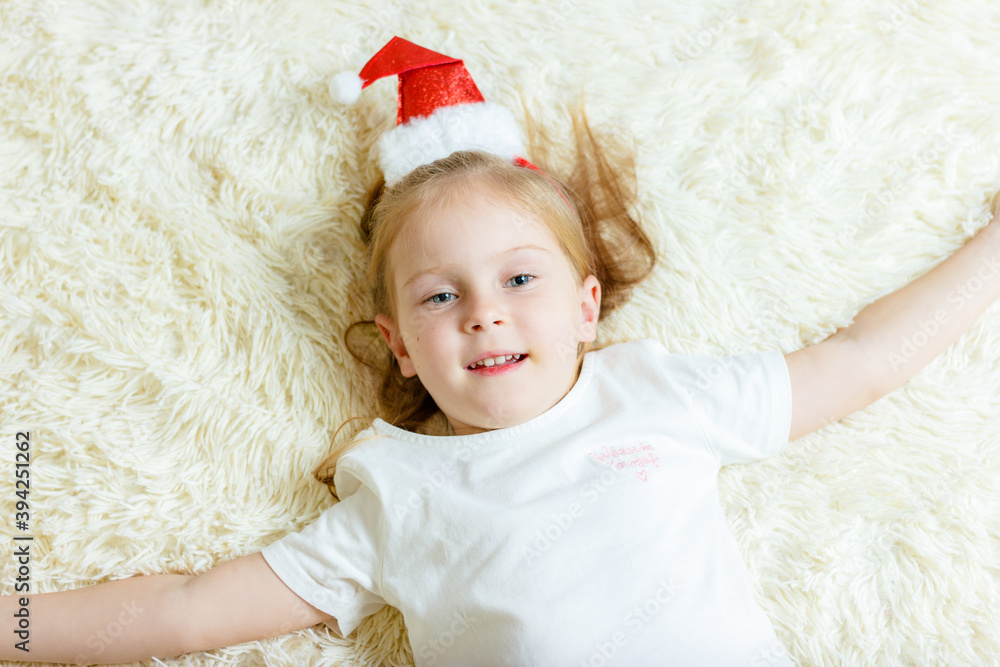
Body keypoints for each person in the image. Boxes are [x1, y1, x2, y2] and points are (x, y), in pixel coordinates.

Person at [4, 36, 1000, 666]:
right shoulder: (398, 490)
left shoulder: (656, 395)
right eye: (442, 295)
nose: (484, 313)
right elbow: (183, 608)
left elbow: (863, 357)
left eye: (520, 279)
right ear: (397, 345)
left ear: (585, 306)